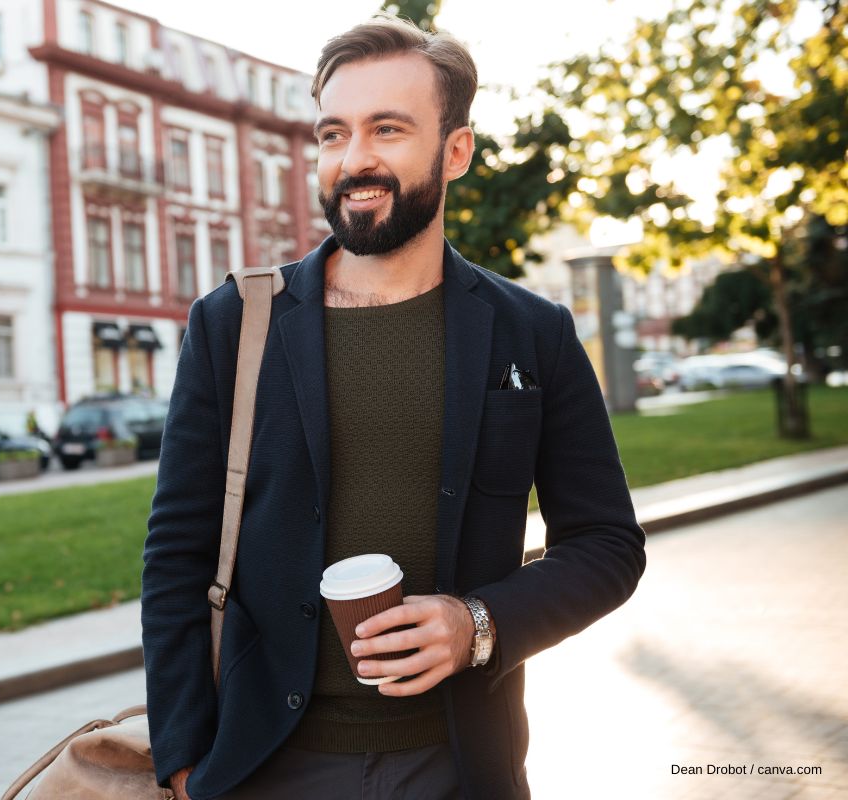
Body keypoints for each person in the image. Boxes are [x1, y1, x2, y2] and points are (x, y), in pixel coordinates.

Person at [141, 15, 645, 800]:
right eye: (332, 133)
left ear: (456, 150)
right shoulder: (233, 324)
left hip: (458, 766)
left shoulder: (531, 332)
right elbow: (176, 556)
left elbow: (608, 545)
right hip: (258, 767)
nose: (355, 160)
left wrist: (475, 624)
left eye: (387, 129)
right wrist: (181, 762)